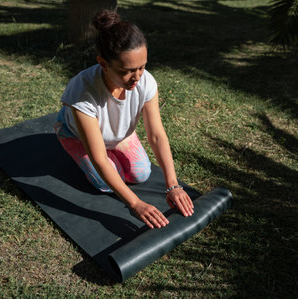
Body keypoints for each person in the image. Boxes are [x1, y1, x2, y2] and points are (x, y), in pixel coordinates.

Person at [53, 10, 194, 229]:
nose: (137, 77)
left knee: (141, 174)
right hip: (77, 136)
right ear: (103, 63)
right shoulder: (82, 91)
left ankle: (117, 142)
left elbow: (156, 135)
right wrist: (135, 203)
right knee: (105, 182)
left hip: (117, 135)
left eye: (142, 67)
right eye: (127, 71)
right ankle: (69, 141)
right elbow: (99, 158)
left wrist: (173, 185)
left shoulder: (145, 82)